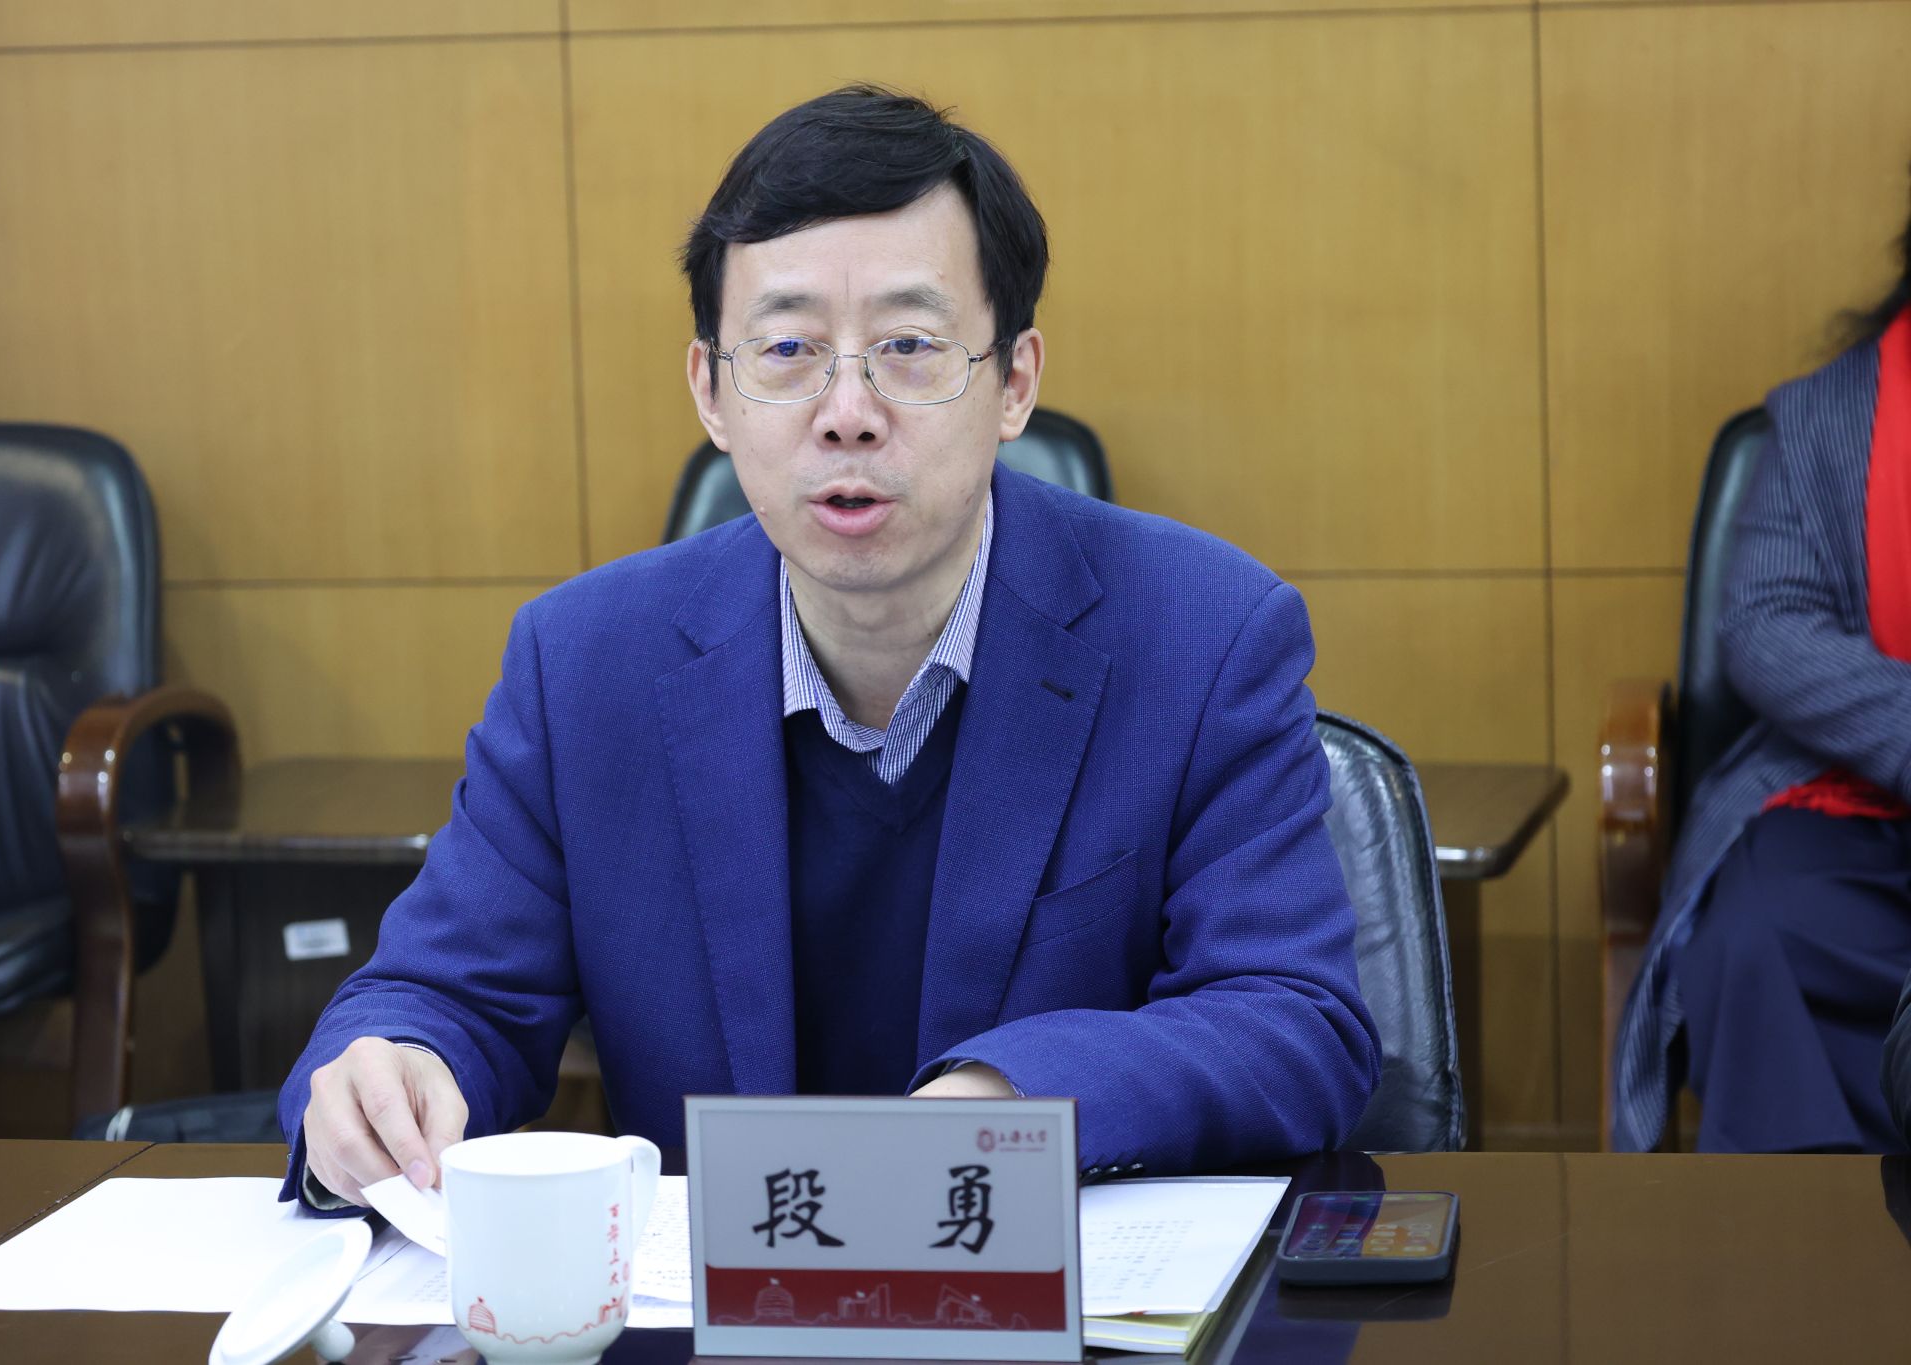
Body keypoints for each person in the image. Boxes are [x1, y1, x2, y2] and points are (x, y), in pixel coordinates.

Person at [279, 85, 1380, 1209]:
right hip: (710, 1296)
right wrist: (396, 1067)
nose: (847, 410)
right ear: (711, 391)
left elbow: (1292, 1019)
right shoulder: (583, 665)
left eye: (908, 347)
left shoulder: (1202, 635)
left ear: (1013, 384)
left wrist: (1003, 1103)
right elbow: (445, 993)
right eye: (788, 349)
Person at [1613, 171, 1911, 1153]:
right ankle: (1803, 1238)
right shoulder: (1823, 417)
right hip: (1850, 800)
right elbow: (1765, 624)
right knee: (1756, 934)